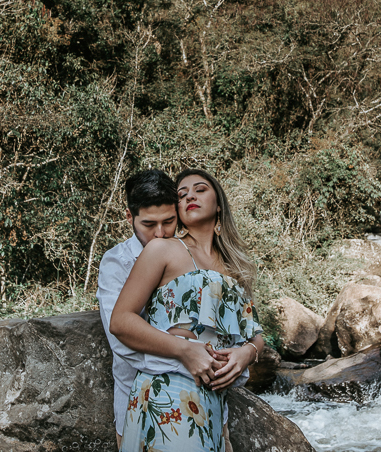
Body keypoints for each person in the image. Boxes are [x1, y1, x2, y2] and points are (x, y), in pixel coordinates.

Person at [110, 168, 265, 452]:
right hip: (168, 391)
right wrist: (185, 350)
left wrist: (246, 354)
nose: (190, 195)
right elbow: (120, 321)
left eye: (200, 189)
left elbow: (255, 333)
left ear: (219, 204)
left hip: (215, 401)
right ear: (178, 210)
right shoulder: (162, 250)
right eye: (182, 194)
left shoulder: (235, 266)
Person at [97, 170, 227, 450]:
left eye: (168, 222)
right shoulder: (116, 263)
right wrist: (187, 355)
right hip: (140, 394)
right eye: (148, 224)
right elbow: (122, 341)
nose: (159, 233)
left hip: (209, 395)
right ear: (129, 217)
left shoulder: (192, 255)